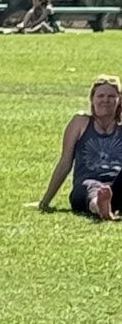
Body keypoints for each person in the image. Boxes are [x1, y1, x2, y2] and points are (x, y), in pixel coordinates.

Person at [40, 75, 122, 220]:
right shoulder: (80, 123)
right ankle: (101, 208)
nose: (105, 100)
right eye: (100, 96)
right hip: (87, 186)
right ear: (92, 99)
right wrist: (45, 201)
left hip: (116, 185)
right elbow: (65, 162)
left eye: (111, 96)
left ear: (119, 100)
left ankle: (109, 205)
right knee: (91, 188)